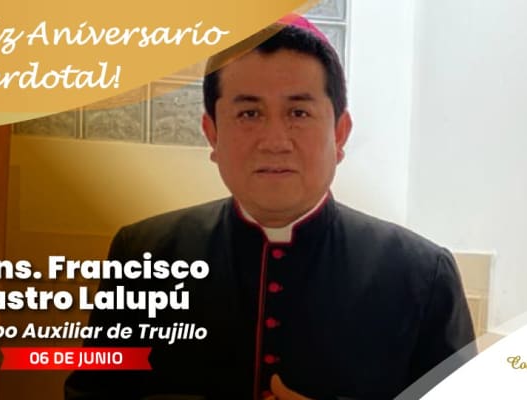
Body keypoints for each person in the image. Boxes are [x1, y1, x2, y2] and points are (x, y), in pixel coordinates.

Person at [65, 14, 476, 400]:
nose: (275, 141)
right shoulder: (144, 254)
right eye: (249, 113)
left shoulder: (423, 275)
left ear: (339, 133)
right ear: (212, 133)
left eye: (298, 112)